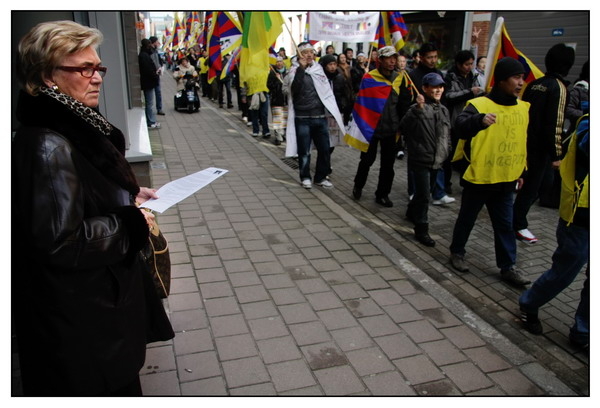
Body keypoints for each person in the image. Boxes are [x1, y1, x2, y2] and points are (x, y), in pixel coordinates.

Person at [12, 20, 174, 396]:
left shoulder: (74, 124)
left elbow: (77, 198)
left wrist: (127, 196)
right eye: (84, 69)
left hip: (93, 308)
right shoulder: (49, 145)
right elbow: (61, 241)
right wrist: (130, 222)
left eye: (98, 67)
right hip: (83, 320)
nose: (97, 77)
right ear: (47, 76)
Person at [448, 57, 531, 287]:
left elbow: (521, 141)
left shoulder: (523, 108)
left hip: (506, 178)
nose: (521, 83)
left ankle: (508, 267)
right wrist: (479, 121)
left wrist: (521, 171)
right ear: (501, 80)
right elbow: (460, 127)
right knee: (467, 219)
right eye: (516, 78)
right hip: (480, 177)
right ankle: (457, 252)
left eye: (522, 78)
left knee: (505, 225)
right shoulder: (479, 105)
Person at [518, 114, 589, 351]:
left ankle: (583, 332)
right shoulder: (588, 122)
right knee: (565, 270)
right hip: (580, 216)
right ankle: (529, 303)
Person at [512, 44, 575, 244]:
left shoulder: (534, 84)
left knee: (542, 184)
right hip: (540, 148)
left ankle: (515, 217)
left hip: (528, 143)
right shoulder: (559, 88)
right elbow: (555, 124)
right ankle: (517, 223)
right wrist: (557, 155)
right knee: (533, 186)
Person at [351, 46, 415, 207]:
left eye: (394, 58)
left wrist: (402, 126)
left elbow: (404, 104)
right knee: (367, 160)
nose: (392, 61)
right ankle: (358, 186)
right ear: (380, 60)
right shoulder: (369, 77)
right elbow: (362, 103)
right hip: (371, 128)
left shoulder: (400, 78)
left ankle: (382, 194)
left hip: (391, 129)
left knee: (388, 165)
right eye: (388, 58)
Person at [400, 73, 451, 246]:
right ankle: (421, 229)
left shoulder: (443, 110)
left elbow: (446, 135)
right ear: (425, 88)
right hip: (420, 158)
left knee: (426, 191)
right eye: (434, 87)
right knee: (423, 196)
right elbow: (404, 127)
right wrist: (417, 110)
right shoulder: (417, 108)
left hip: (437, 159)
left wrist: (447, 151)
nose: (438, 90)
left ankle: (411, 212)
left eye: (440, 87)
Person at [285, 42, 345, 189]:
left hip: (320, 117)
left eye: (311, 52)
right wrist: (301, 69)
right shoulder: (293, 71)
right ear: (299, 55)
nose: (309, 55)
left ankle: (320, 177)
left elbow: (328, 88)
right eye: (305, 52)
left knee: (324, 149)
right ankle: (305, 176)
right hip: (302, 118)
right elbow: (294, 89)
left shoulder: (319, 69)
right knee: (304, 150)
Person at [409, 42, 454, 205]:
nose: (433, 60)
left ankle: (438, 192)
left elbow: (444, 98)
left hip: (437, 121)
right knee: (417, 161)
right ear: (421, 57)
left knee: (439, 156)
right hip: (420, 122)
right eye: (429, 57)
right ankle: (414, 192)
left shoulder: (439, 73)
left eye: (435, 57)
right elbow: (406, 102)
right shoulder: (412, 75)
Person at [442, 49, 485, 194]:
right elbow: (448, 97)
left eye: (471, 64)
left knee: (468, 152)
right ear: (458, 64)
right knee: (450, 154)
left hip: (471, 119)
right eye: (467, 64)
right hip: (454, 120)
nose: (469, 67)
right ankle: (446, 183)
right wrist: (469, 92)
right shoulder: (450, 77)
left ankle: (466, 181)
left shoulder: (474, 76)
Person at [139, 38, 161, 129]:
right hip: (148, 82)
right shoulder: (144, 56)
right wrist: (155, 74)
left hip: (148, 81)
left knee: (149, 102)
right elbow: (148, 70)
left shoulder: (143, 54)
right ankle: (150, 122)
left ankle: (151, 120)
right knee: (149, 103)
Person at [267, 56, 289, 145]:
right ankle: (278, 137)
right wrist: (276, 80)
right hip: (276, 100)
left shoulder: (287, 73)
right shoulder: (272, 73)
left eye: (280, 61)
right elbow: (269, 86)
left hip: (286, 100)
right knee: (277, 119)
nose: (279, 63)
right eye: (277, 62)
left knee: (285, 118)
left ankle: (283, 134)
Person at [149, 36, 165, 116]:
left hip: (156, 74)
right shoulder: (149, 51)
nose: (158, 43)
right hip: (152, 75)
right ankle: (153, 110)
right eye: (157, 42)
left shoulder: (155, 51)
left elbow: (159, 61)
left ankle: (159, 108)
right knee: (151, 94)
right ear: (153, 42)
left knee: (158, 92)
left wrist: (161, 66)